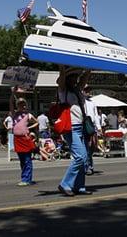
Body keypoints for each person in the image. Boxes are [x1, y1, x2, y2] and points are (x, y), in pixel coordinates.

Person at [57, 66, 92, 196]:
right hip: (71, 128)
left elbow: (84, 80)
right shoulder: (63, 91)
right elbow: (61, 80)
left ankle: (79, 186)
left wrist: (89, 68)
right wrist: (61, 68)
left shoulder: (77, 91)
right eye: (71, 77)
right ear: (66, 79)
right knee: (80, 157)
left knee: (84, 158)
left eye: (75, 78)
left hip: (81, 127)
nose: (74, 80)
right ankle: (65, 184)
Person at [9, 88, 38, 186]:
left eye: (23, 104)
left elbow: (36, 122)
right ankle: (25, 178)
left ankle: (27, 179)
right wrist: (13, 92)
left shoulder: (28, 115)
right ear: (17, 106)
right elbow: (10, 102)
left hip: (25, 138)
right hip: (17, 139)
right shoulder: (14, 114)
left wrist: (29, 127)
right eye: (20, 104)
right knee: (22, 160)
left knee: (27, 159)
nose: (22, 105)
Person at [83, 85, 100, 175]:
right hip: (83, 126)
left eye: (89, 90)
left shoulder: (92, 103)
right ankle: (87, 167)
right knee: (85, 148)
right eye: (86, 90)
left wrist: (99, 127)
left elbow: (96, 115)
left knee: (92, 147)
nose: (88, 91)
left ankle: (89, 165)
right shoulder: (80, 101)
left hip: (91, 126)